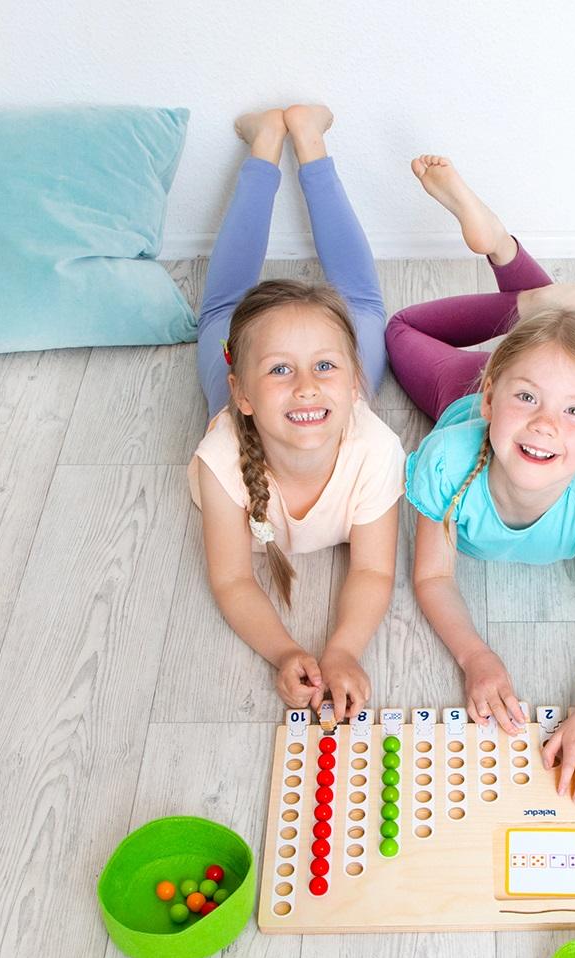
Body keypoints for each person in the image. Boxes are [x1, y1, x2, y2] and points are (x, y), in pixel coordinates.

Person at [386, 156, 575, 801]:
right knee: (398, 329)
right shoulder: (450, 457)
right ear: (492, 399)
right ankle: (528, 288)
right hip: (462, 386)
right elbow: (432, 577)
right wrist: (475, 658)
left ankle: (530, 288)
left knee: (549, 346)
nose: (544, 425)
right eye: (527, 400)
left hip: (510, 370)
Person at [189, 106, 404, 720]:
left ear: (354, 381)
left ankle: (308, 140)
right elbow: (233, 580)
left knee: (361, 304)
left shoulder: (375, 449)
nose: (307, 388)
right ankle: (266, 142)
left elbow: (373, 570)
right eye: (281, 370)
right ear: (243, 393)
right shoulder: (221, 460)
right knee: (222, 313)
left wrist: (343, 649)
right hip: (238, 397)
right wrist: (284, 651)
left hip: (326, 394)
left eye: (325, 367)